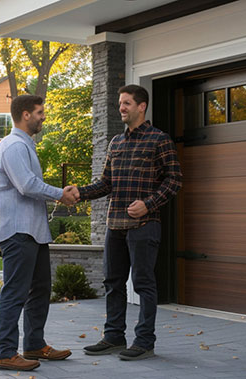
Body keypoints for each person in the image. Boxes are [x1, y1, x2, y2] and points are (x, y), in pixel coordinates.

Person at [77, 84, 182, 361]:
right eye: (120, 103)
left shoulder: (159, 140)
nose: (121, 108)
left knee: (144, 284)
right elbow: (105, 183)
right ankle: (113, 337)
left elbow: (174, 180)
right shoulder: (116, 143)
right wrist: (79, 194)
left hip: (144, 226)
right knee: (113, 282)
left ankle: (145, 341)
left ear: (141, 106)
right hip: (115, 225)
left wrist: (148, 204)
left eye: (126, 103)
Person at [0, 94, 78, 371]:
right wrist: (60, 195)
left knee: (40, 289)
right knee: (15, 292)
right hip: (18, 232)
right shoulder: (14, 146)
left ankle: (34, 345)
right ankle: (5, 353)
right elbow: (27, 185)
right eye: (40, 112)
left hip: (34, 232)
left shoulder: (25, 145)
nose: (43, 116)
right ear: (26, 114)